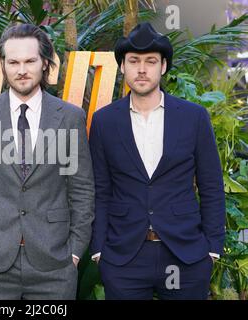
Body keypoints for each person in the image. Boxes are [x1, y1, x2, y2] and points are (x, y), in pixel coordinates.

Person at [0, 23, 95, 300]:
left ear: (45, 62)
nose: (21, 70)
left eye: (30, 61)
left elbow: (81, 188)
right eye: (13, 62)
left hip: (54, 263)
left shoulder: (69, 116)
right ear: (3, 65)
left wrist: (75, 252)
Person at [89, 22, 226, 300]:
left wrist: (212, 249)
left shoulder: (193, 117)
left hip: (185, 256)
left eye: (150, 61)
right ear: (122, 67)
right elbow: (100, 189)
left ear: (163, 67)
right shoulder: (105, 121)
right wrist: (99, 249)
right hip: (124, 258)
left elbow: (211, 185)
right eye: (134, 61)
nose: (142, 69)